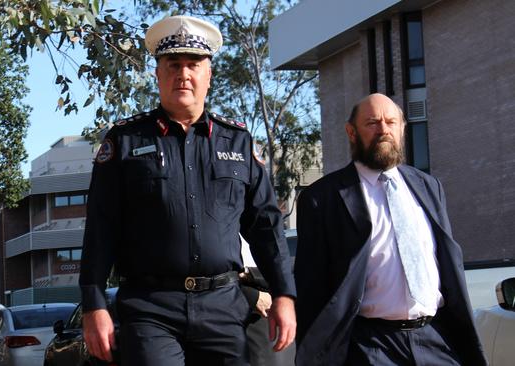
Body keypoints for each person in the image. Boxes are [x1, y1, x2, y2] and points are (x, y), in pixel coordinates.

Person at [78, 15, 296, 366]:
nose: (184, 74)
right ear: (158, 75)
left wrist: (284, 294)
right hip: (150, 307)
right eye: (173, 64)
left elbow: (266, 226)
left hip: (224, 306)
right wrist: (94, 304)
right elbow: (101, 228)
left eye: (194, 65)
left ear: (208, 75)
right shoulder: (125, 142)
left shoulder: (237, 142)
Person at [293, 93, 486, 365]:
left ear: (402, 128)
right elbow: (312, 286)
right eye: (372, 123)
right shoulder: (322, 198)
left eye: (391, 122)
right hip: (372, 346)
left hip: (436, 338)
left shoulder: (429, 186)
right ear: (352, 132)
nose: (383, 130)